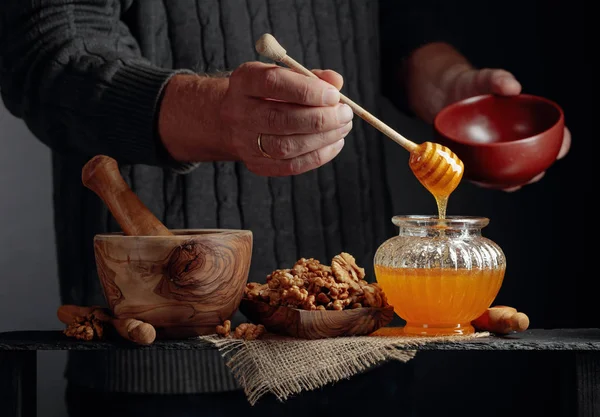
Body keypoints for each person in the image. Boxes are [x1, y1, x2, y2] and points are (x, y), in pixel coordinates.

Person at [0, 1, 571, 416]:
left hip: (355, 351)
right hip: (168, 367)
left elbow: (398, 22)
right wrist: (214, 115)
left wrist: (448, 83)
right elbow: (50, 52)